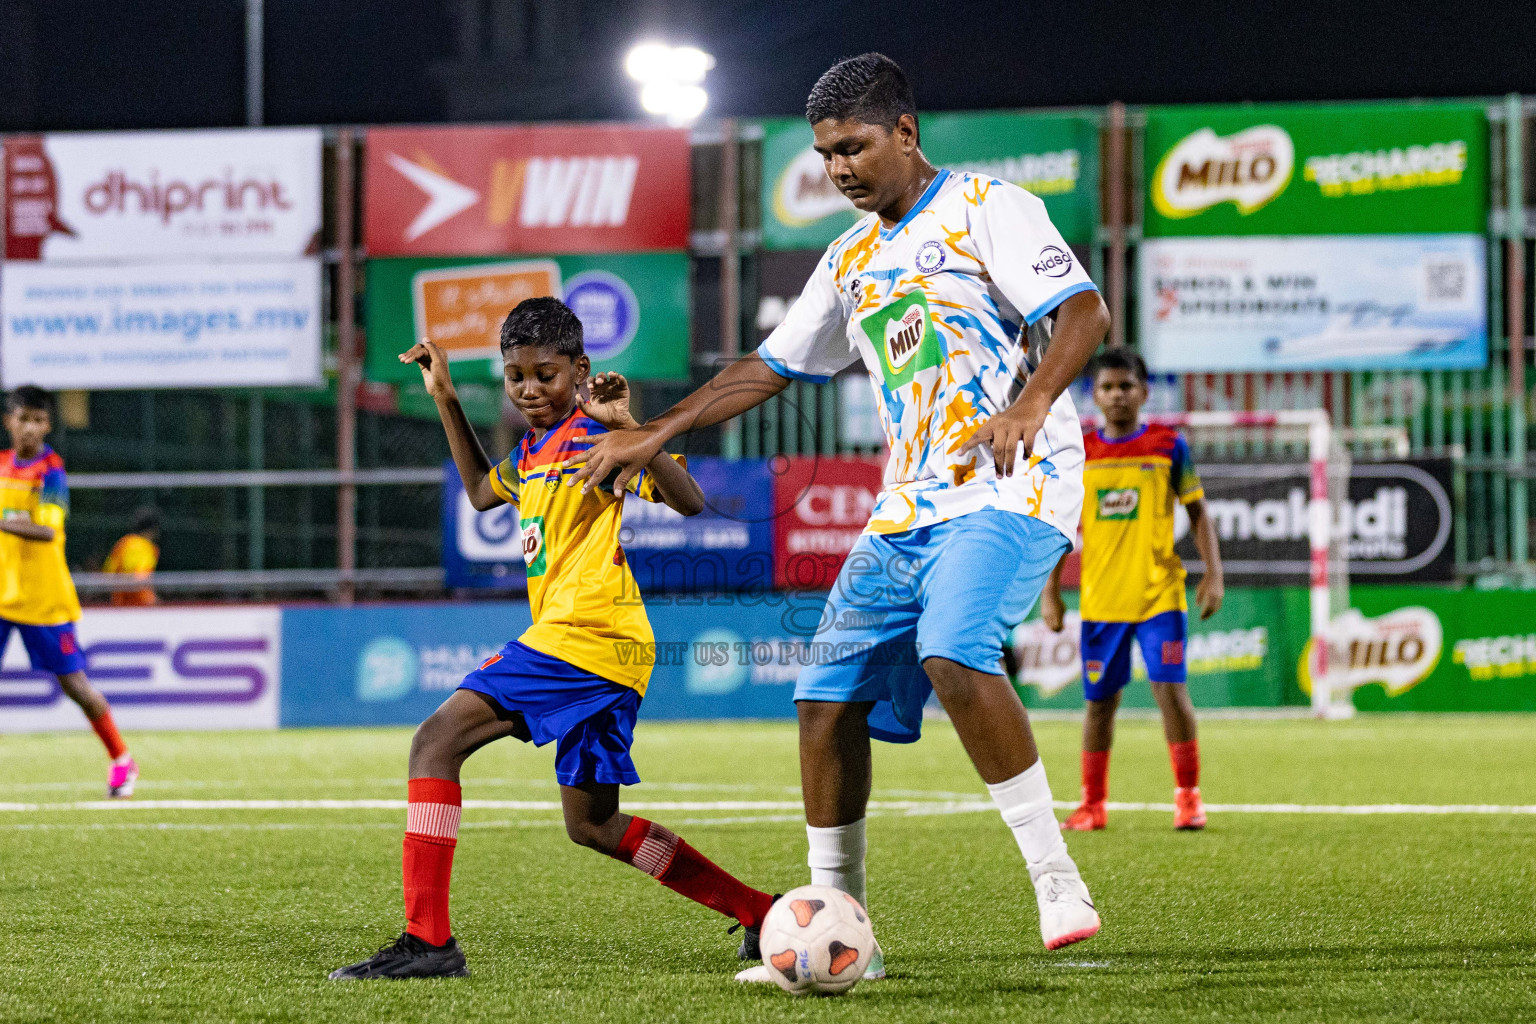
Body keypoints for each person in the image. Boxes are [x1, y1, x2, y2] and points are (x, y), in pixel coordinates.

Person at [567, 54, 1112, 978]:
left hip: (1015, 479)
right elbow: (767, 368)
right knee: (822, 699)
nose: (840, 169)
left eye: (854, 146)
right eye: (824, 156)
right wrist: (651, 434)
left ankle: (1056, 875)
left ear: (905, 131)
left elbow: (1083, 313)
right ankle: (837, 918)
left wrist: (1029, 404)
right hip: (910, 503)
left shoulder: (988, 207)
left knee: (952, 649)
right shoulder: (848, 259)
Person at [330, 297, 776, 981]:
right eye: (516, 377)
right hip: (606, 650)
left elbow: (686, 500)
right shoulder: (531, 454)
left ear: (580, 370)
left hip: (586, 634)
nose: (530, 390)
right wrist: (446, 397)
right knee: (593, 825)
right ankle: (758, 911)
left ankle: (429, 942)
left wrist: (632, 429)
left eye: (546, 374)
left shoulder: (598, 440)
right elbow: (481, 489)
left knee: (434, 741)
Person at [1040, 349, 1224, 832]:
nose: (1117, 395)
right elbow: (1061, 523)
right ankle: (1092, 804)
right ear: (1095, 395)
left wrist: (1213, 574)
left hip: (1158, 595)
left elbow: (1199, 512)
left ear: (1143, 392)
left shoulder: (1168, 446)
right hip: (1101, 600)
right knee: (1099, 705)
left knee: (1170, 692)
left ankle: (1188, 797)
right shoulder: (1079, 451)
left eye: (1126, 386)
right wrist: (1051, 592)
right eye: (1107, 387)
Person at [2, 386, 138, 798]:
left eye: (38, 420)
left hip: (44, 601)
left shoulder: (52, 473)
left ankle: (121, 759)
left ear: (48, 425)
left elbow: (46, 530)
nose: (30, 428)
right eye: (22, 418)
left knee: (76, 687)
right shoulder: (2, 464)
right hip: (3, 596)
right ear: (9, 420)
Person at [103, 507, 162, 606]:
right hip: (137, 607)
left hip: (118, 604)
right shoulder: (146, 547)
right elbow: (141, 579)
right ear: (154, 529)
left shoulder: (122, 544)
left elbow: (107, 575)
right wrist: (153, 602)